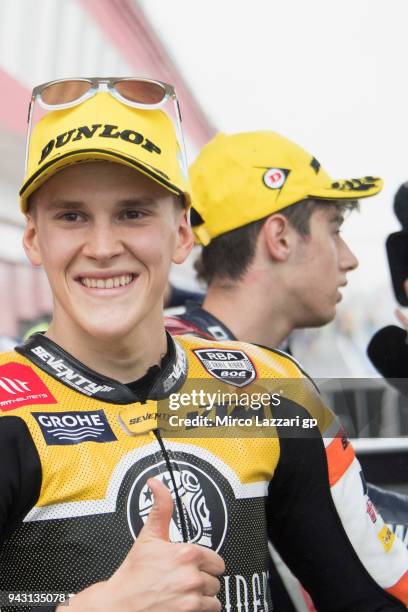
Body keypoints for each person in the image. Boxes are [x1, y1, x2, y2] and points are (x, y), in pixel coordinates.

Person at [0, 83, 407, 612]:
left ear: (181, 234)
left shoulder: (269, 389)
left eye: (133, 213)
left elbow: (370, 599)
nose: (102, 248)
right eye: (71, 216)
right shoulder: (11, 408)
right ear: (33, 236)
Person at [166, 130, 408, 609]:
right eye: (334, 228)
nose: (350, 258)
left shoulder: (178, 350)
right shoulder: (232, 376)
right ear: (279, 237)